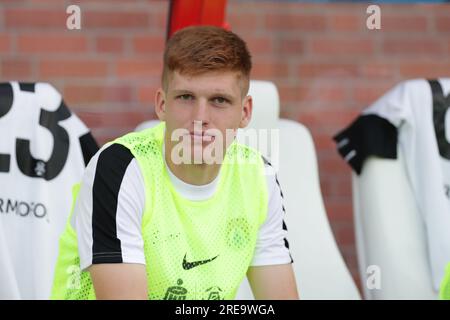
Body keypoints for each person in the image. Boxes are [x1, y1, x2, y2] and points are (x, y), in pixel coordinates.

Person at [51, 25, 299, 300]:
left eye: (219, 100)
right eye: (186, 97)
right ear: (162, 104)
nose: (200, 117)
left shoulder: (258, 177)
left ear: (245, 112)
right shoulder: (120, 168)